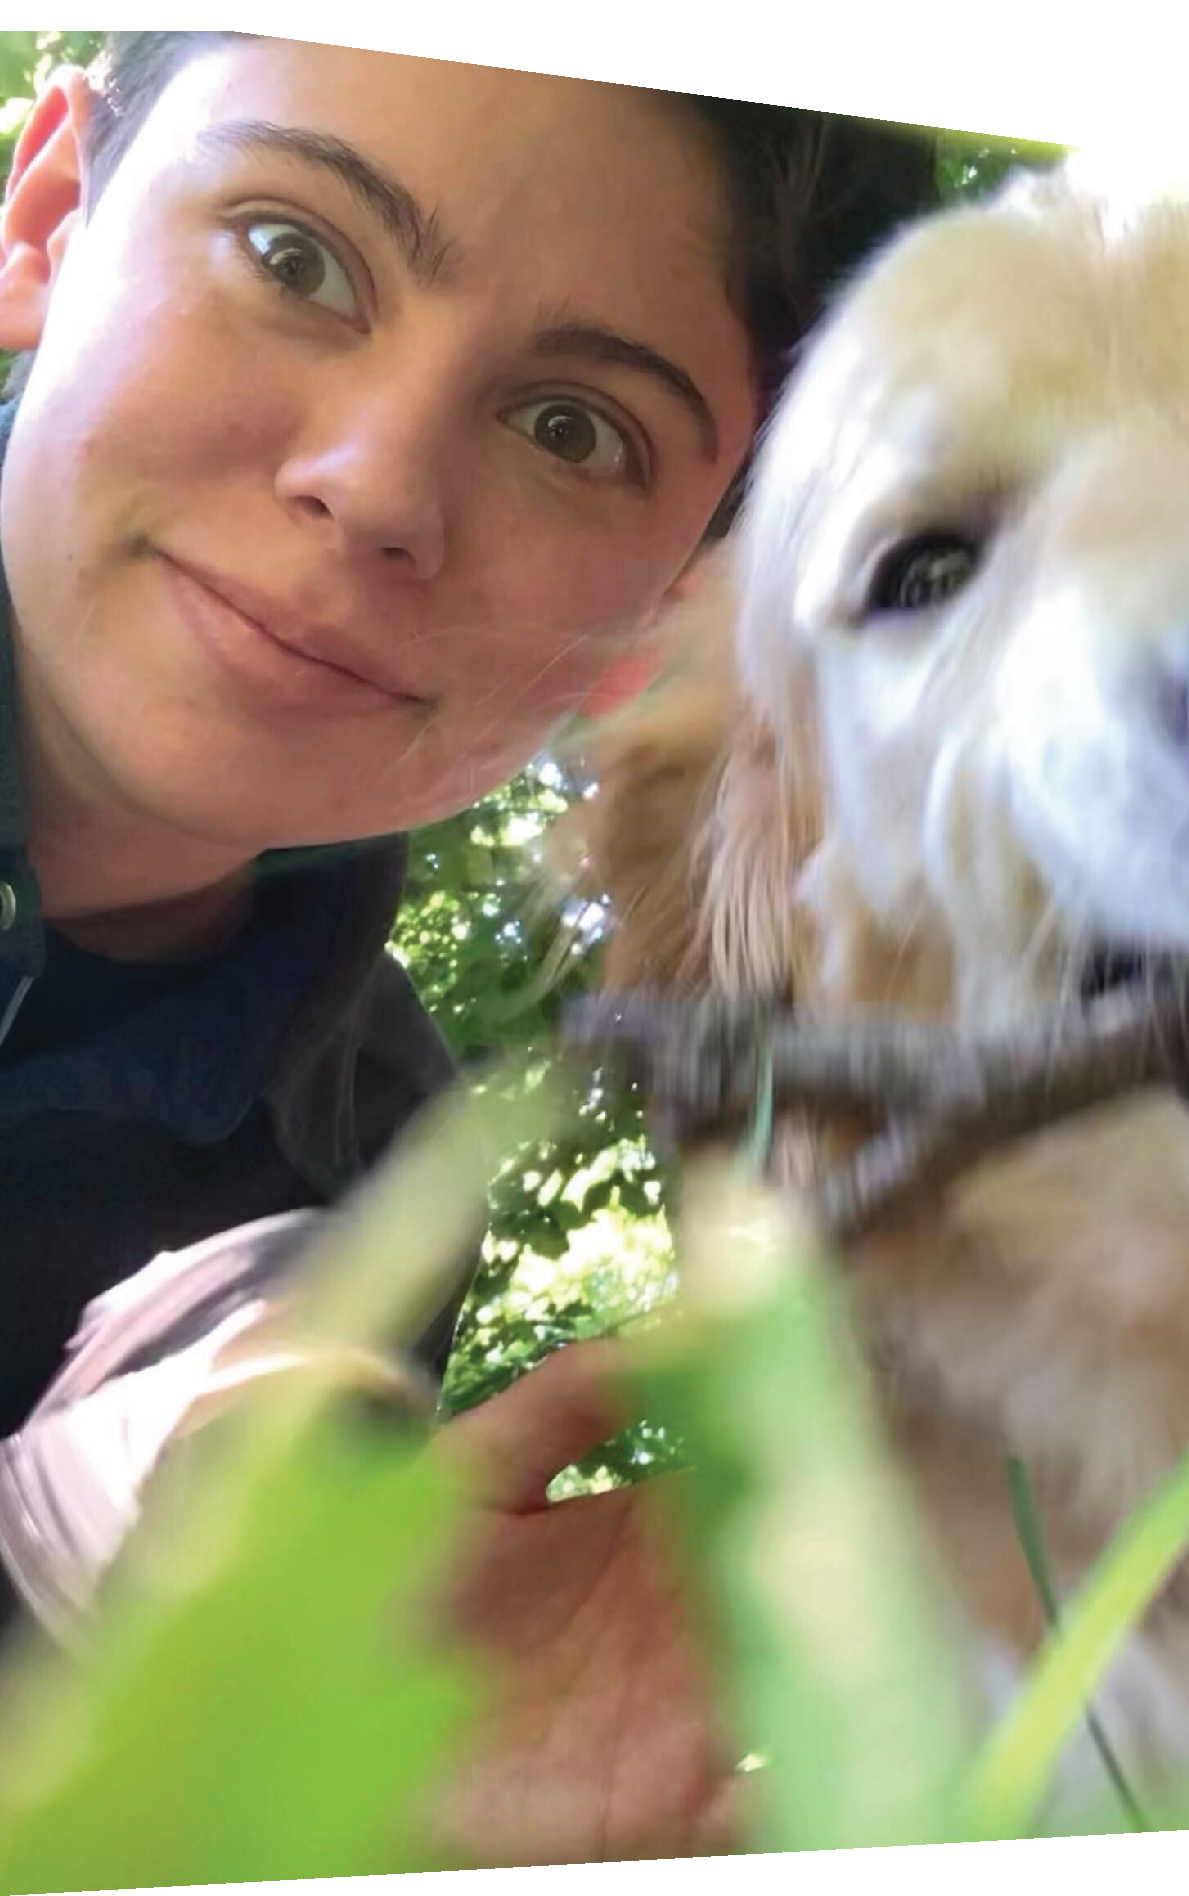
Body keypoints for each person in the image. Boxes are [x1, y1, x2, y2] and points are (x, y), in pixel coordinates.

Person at [0, 30, 939, 1859]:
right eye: (294, 255)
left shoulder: (391, 1183)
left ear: (669, 615)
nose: (376, 481)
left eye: (572, 431)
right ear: (47, 216)